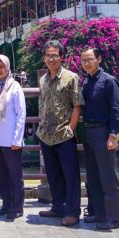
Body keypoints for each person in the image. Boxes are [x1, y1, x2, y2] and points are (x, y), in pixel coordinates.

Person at [37, 40, 84, 227]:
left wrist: (70, 129)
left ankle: (73, 211)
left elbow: (77, 105)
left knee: (70, 176)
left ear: (61, 56)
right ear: (44, 57)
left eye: (54, 55)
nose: (51, 58)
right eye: (48, 55)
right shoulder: (43, 79)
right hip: (46, 135)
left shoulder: (71, 77)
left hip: (64, 135)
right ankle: (58, 207)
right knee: (53, 174)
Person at [80, 47, 119, 231]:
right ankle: (98, 212)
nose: (86, 63)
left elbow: (115, 110)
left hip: (103, 132)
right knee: (93, 176)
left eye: (90, 59)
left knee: (108, 176)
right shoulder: (86, 82)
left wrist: (113, 135)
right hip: (88, 132)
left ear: (99, 59)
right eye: (83, 60)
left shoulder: (109, 81)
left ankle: (114, 218)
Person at [0, 54, 26, 222]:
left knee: (14, 174)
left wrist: (17, 139)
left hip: (10, 139)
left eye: (2, 67)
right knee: (1, 174)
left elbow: (21, 113)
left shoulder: (14, 86)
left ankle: (17, 207)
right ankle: (6, 204)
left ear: (8, 68)